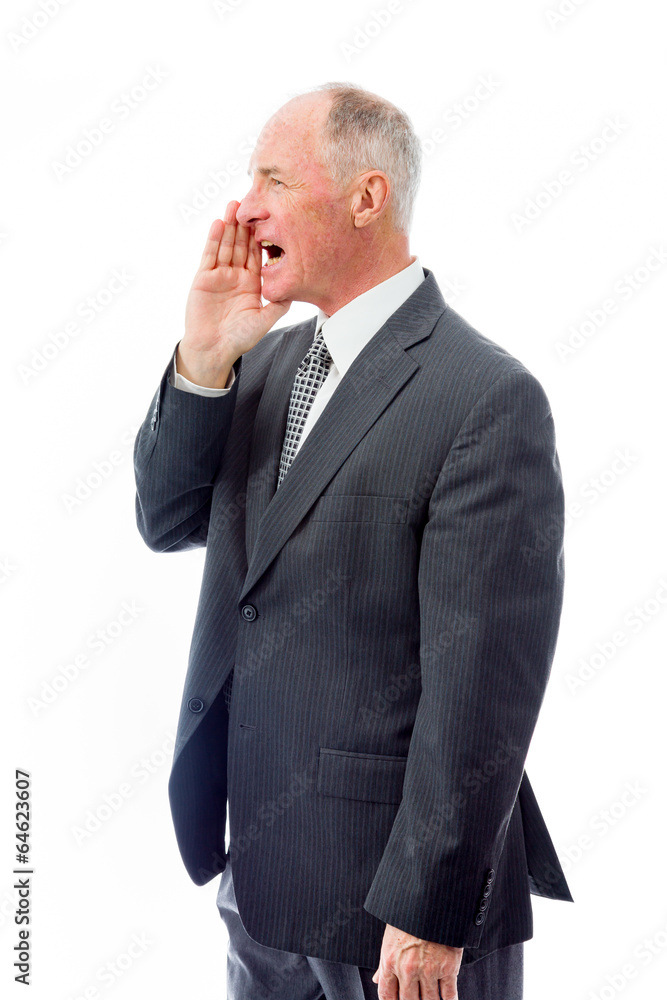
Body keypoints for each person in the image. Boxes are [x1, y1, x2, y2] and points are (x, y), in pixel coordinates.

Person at [133, 82, 572, 1000]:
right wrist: (204, 359)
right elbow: (166, 521)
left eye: (274, 179)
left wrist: (429, 908)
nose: (244, 207)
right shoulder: (260, 363)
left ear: (367, 197)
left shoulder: (484, 397)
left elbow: (483, 690)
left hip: (396, 914)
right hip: (258, 886)